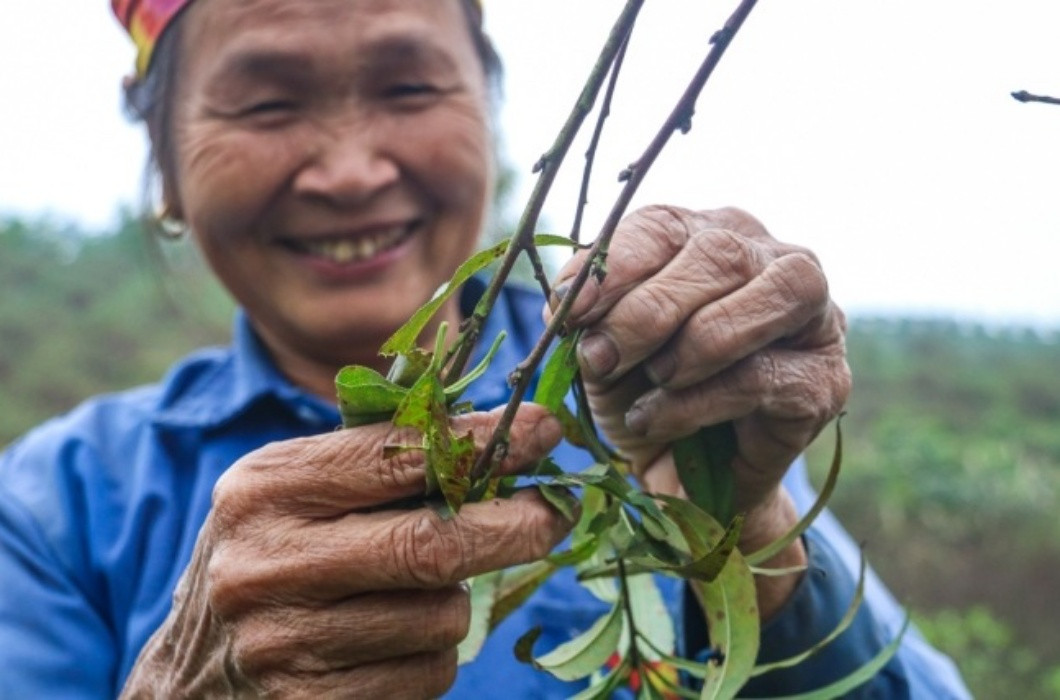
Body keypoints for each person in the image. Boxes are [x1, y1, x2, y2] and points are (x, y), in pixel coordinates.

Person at [0, 0, 970, 697]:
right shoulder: (56, 507)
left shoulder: (641, 391)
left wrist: (746, 524)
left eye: (409, 85)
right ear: (164, 166)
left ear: (492, 121)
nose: (349, 170)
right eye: (265, 104)